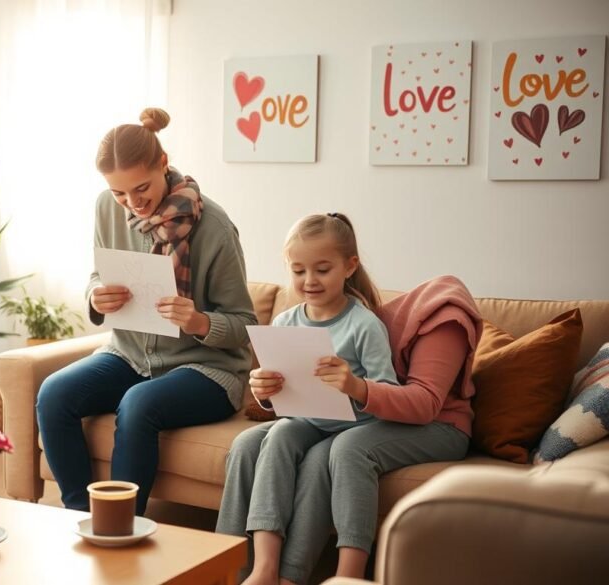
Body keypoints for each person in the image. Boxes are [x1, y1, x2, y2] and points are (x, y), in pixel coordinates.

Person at [216, 222, 481, 585]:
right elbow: (285, 398)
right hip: (311, 420)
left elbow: (389, 390)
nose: (310, 279)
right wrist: (264, 391)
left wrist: (354, 386)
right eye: (298, 271)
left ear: (349, 267)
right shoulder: (285, 321)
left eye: (322, 270)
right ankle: (231, 569)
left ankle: (302, 575)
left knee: (334, 451)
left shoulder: (364, 324)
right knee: (253, 442)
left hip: (356, 424)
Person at [36, 107, 257, 515]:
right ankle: (79, 515)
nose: (132, 203)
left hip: (207, 369)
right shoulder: (106, 207)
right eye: (120, 193)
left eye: (141, 189)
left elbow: (246, 326)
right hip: (128, 355)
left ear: (163, 164)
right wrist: (96, 295)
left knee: (138, 403)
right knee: (54, 393)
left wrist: (200, 321)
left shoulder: (215, 228)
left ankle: (118, 523)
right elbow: (97, 274)